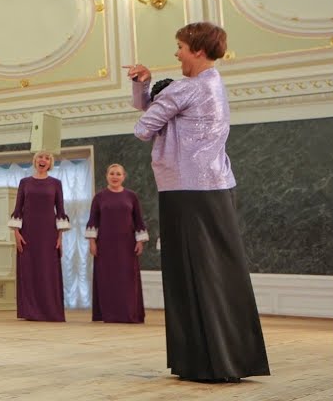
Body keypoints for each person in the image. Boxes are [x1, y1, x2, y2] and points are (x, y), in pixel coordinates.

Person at [126, 22, 269, 382]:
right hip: (216, 186)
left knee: (190, 273)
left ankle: (204, 361)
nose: (177, 53)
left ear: (198, 50)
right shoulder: (213, 83)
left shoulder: (186, 88)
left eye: (180, 47)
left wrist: (156, 94)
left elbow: (142, 128)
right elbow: (156, 110)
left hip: (186, 191)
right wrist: (146, 85)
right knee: (219, 272)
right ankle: (231, 358)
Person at [8, 150, 69, 322]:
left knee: (47, 271)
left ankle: (50, 310)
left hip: (49, 234)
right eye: (40, 157)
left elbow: (60, 210)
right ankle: (30, 311)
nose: (43, 160)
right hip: (27, 233)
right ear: (35, 161)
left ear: (50, 163)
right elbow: (18, 209)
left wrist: (60, 238)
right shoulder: (25, 182)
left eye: (47, 158)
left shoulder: (56, 183)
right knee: (29, 271)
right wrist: (16, 233)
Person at [86, 163, 148, 324]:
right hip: (104, 245)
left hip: (127, 245)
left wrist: (140, 241)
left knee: (127, 279)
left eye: (118, 174)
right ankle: (109, 314)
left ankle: (129, 313)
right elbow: (93, 221)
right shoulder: (99, 197)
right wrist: (92, 242)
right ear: (107, 176)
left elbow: (138, 220)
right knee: (107, 279)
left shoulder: (132, 196)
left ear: (123, 176)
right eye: (112, 173)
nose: (115, 176)